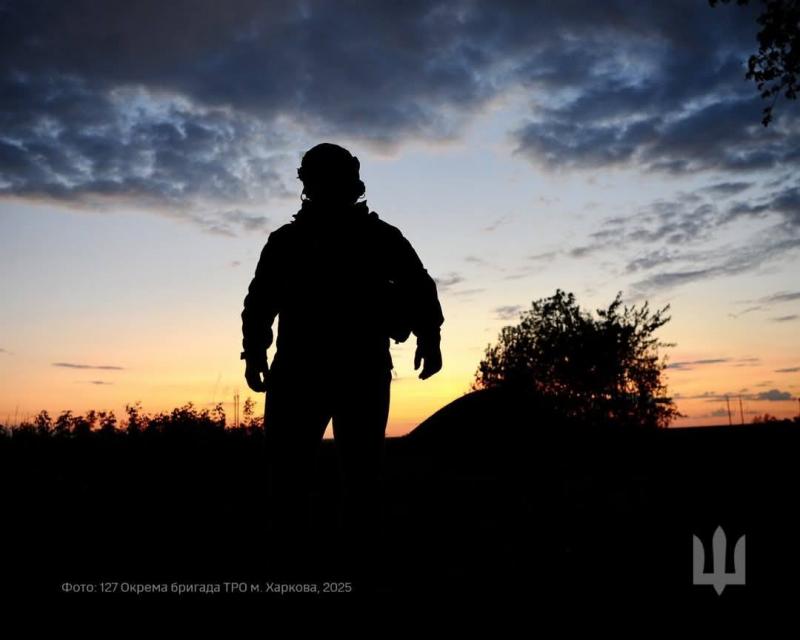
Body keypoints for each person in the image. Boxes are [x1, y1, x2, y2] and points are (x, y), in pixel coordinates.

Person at [240, 142, 444, 546]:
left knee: (340, 481)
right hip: (321, 372)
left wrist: (430, 336)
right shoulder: (304, 241)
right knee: (305, 481)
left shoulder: (366, 238)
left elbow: (418, 287)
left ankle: (336, 561)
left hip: (336, 372)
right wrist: (255, 351)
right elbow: (260, 302)